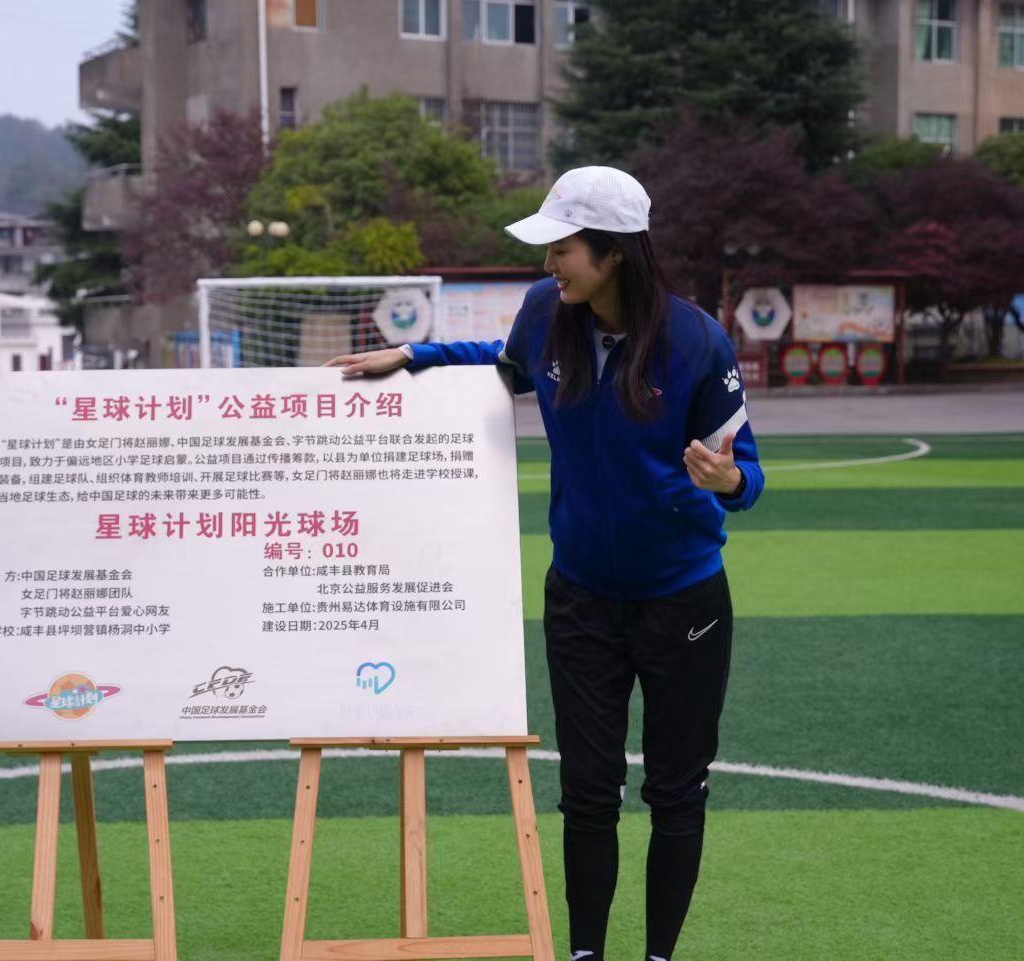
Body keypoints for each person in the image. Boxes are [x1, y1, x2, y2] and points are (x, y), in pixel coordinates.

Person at [326, 166, 764, 961]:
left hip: (685, 603)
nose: (550, 262)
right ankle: (586, 953)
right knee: (587, 794)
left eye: (563, 248)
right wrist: (416, 355)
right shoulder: (545, 311)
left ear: (615, 253)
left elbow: (750, 479)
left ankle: (657, 956)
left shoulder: (699, 341)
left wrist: (728, 480)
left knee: (676, 792)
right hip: (580, 600)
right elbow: (504, 363)